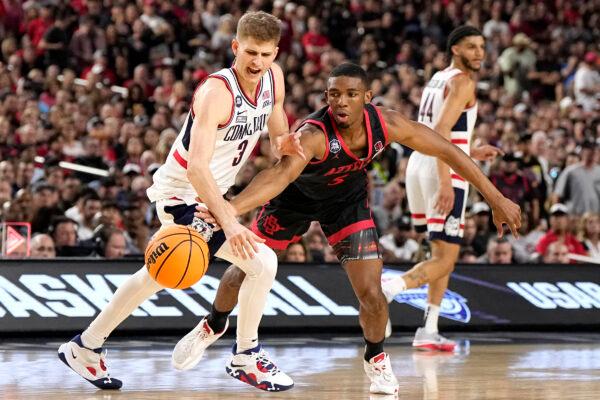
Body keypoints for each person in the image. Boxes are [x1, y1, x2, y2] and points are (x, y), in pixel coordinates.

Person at [191, 62, 521, 395]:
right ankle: (214, 323)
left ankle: (376, 359)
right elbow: (279, 176)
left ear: (367, 97)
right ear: (326, 97)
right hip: (292, 200)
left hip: (346, 203)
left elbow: (448, 150)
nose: (342, 102)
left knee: (374, 296)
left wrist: (496, 198)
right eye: (335, 94)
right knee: (245, 270)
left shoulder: (387, 123)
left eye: (351, 94)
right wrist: (228, 210)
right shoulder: (313, 134)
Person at [58, 11, 300, 392]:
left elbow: (275, 116)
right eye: (250, 52)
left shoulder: (274, 78)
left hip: (212, 195)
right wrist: (231, 221)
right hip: (183, 194)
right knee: (262, 262)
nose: (257, 62)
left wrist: (282, 140)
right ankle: (246, 355)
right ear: (235, 47)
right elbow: (197, 170)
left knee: (155, 276)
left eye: (266, 54)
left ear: (275, 53)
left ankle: (85, 346)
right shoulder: (216, 92)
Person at [382, 26, 503, 351]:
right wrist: (448, 177)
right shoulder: (463, 81)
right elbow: (441, 130)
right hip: (440, 168)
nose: (479, 53)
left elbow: (438, 130)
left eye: (482, 47)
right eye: (471, 47)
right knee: (446, 258)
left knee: (441, 252)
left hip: (420, 166)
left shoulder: (438, 77)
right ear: (455, 50)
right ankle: (390, 287)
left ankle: (429, 329)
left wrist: (471, 152)